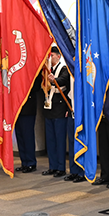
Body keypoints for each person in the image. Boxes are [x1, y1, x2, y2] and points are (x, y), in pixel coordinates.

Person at [41, 47, 72, 179]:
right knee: (50, 140)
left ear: (58, 56)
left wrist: (54, 80)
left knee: (59, 140)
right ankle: (52, 166)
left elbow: (63, 81)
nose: (49, 57)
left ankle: (61, 167)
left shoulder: (64, 68)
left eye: (51, 55)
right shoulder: (47, 69)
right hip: (49, 108)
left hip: (60, 108)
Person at [15, 73, 41, 173]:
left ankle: (31, 162)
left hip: (28, 108)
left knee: (28, 137)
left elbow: (36, 87)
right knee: (20, 136)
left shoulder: (33, 70)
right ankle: (24, 162)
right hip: (17, 108)